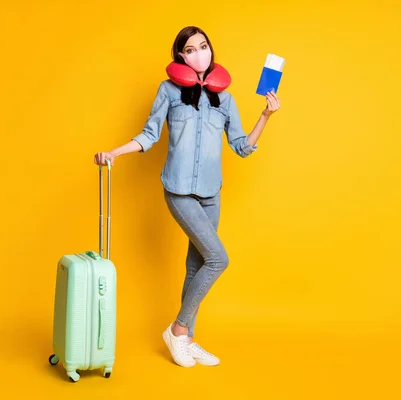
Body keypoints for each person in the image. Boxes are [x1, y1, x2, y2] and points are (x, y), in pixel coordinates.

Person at [94, 26, 280, 367]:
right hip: (179, 191)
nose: (199, 53)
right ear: (181, 56)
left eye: (204, 46)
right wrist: (115, 152)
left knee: (196, 265)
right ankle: (179, 330)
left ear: (211, 50)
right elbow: (149, 134)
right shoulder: (168, 90)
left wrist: (265, 115)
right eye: (190, 49)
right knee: (218, 259)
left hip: (211, 193)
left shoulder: (226, 99)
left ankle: (187, 340)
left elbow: (241, 147)